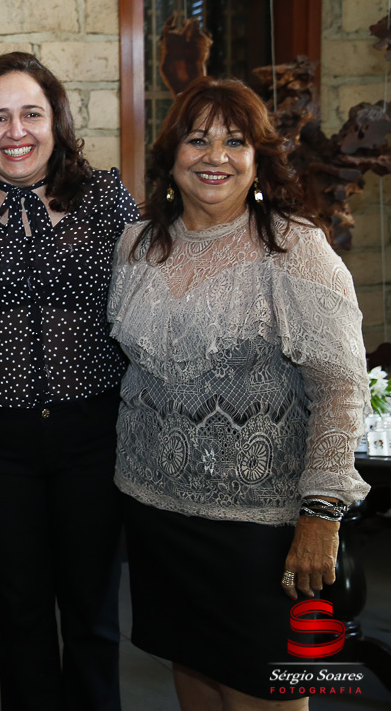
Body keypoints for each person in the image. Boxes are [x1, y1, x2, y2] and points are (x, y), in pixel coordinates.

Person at [109, 76, 370, 709]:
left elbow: (341, 389)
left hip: (261, 530)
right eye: (198, 140)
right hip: (156, 514)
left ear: (258, 158)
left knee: (266, 688)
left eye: (235, 141)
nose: (215, 157)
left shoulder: (293, 248)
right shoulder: (138, 244)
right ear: (172, 154)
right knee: (193, 672)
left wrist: (322, 515)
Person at [0, 51, 138, 711]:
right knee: (18, 609)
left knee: (93, 611)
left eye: (31, 113)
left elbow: (154, 289)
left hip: (94, 433)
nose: (16, 131)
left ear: (57, 122)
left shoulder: (104, 196)